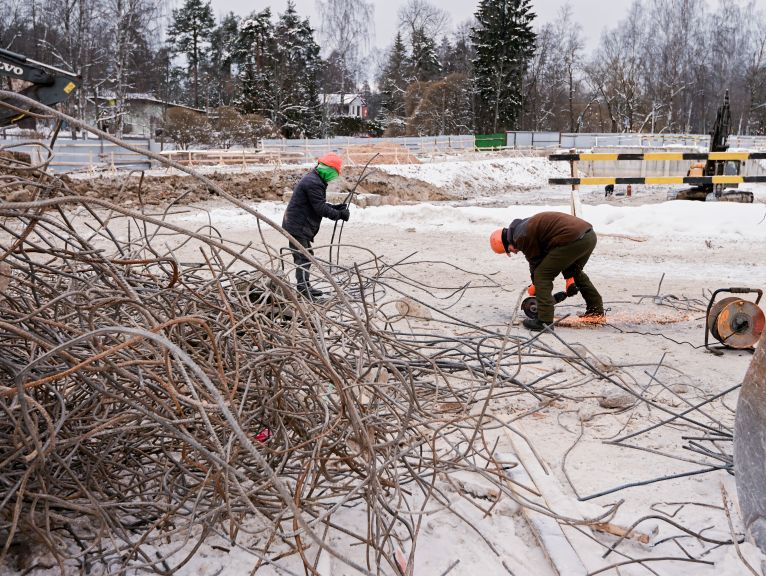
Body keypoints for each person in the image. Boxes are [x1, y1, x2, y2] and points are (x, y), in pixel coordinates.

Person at [490, 211, 604, 331]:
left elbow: (536, 262)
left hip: (573, 239)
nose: (514, 252)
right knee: (574, 271)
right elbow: (547, 256)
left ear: (506, 242)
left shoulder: (520, 236)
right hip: (588, 236)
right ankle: (596, 312)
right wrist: (569, 280)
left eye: (509, 250)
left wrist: (535, 284)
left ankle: (544, 321)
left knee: (542, 275)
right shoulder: (522, 227)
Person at [282, 152, 349, 299]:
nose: (334, 176)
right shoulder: (313, 182)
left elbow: (317, 204)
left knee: (306, 256)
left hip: (297, 223)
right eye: (335, 172)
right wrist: (339, 214)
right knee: (303, 257)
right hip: (297, 225)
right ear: (329, 169)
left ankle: (305, 286)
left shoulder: (315, 178)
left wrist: (337, 208)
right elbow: (320, 208)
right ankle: (303, 289)